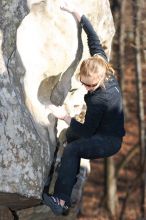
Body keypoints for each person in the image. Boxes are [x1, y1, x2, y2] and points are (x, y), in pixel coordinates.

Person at [42, 1, 125, 216]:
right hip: (102, 129)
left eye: (90, 85)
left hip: (109, 141)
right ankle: (68, 175)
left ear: (98, 80)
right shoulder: (101, 63)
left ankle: (61, 201)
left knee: (74, 148)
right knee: (72, 138)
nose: (86, 88)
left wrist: (65, 116)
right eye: (83, 82)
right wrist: (76, 13)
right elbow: (94, 38)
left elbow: (87, 131)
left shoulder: (100, 100)